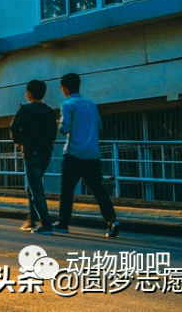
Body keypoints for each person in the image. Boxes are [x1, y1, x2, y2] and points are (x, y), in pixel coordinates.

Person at [55, 73, 120, 237]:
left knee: (67, 190)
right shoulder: (91, 104)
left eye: (61, 88)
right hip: (92, 153)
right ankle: (112, 220)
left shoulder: (67, 104)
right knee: (98, 189)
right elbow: (99, 125)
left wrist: (57, 123)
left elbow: (65, 129)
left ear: (65, 88)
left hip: (74, 153)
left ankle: (63, 223)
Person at [9, 79, 58, 235]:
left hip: (31, 152)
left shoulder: (25, 110)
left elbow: (14, 127)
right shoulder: (49, 111)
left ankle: (46, 224)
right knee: (33, 186)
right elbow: (53, 133)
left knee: (36, 188)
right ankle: (32, 220)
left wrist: (18, 142)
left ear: (29, 94)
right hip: (45, 153)